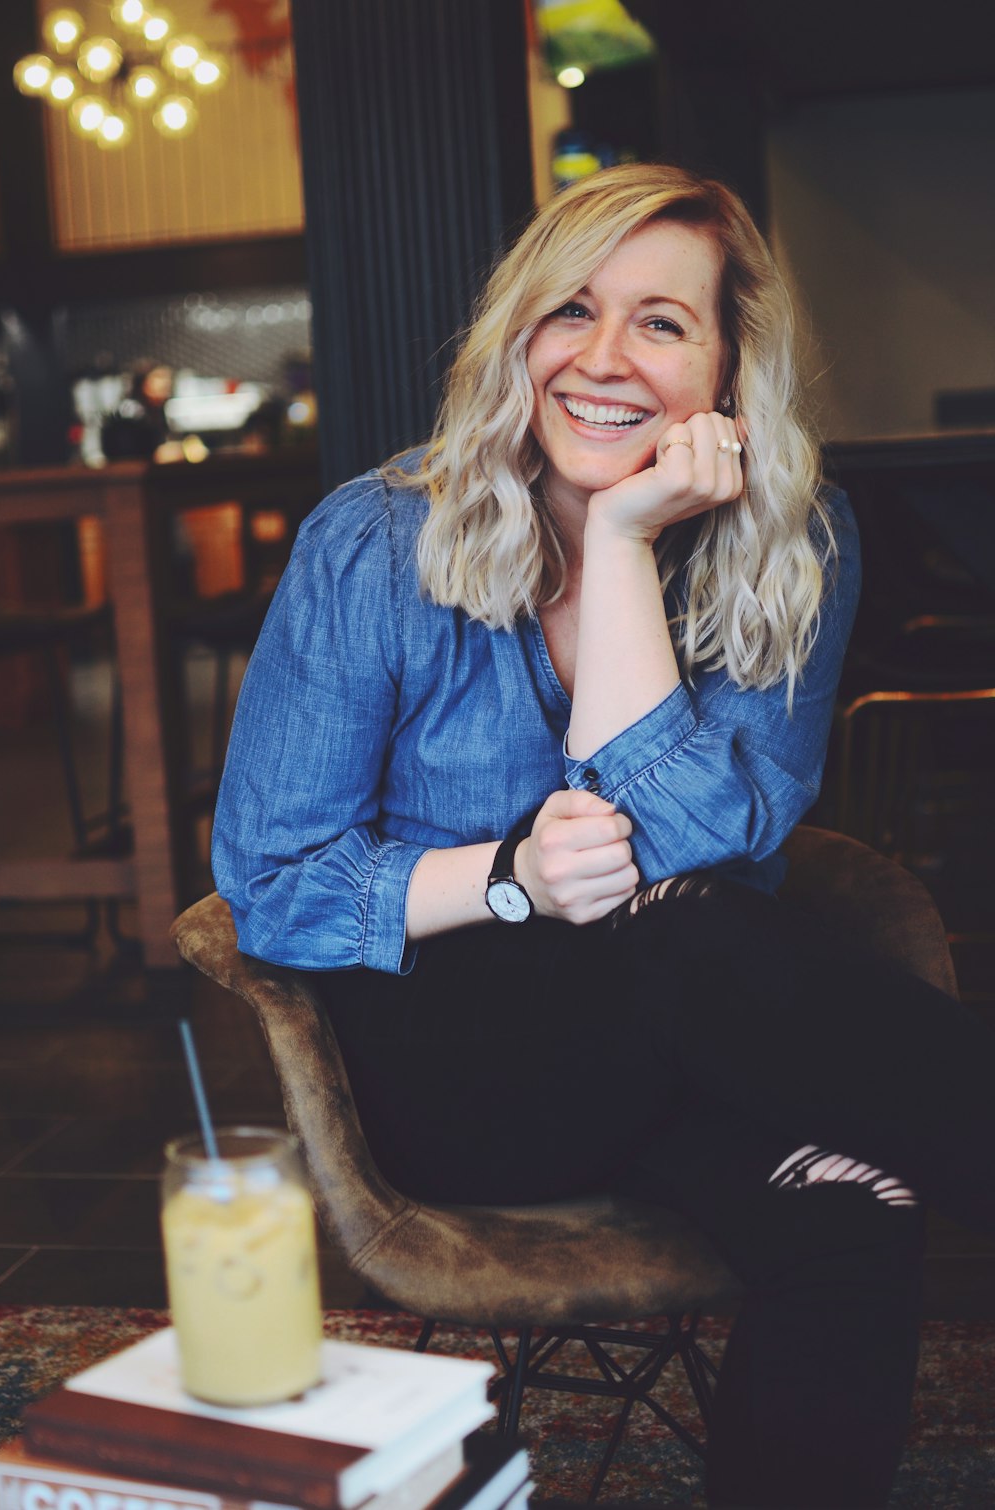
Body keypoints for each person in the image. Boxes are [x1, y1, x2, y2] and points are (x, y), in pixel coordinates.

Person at [212, 164, 995, 1508]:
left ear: (730, 368)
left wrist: (625, 541)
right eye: (571, 309)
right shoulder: (374, 542)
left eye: (663, 323)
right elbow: (269, 886)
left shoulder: (795, 533)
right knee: (687, 934)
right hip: (459, 1068)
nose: (605, 357)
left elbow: (696, 832)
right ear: (516, 333)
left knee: (847, 1212)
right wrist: (510, 878)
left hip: (701, 1045)